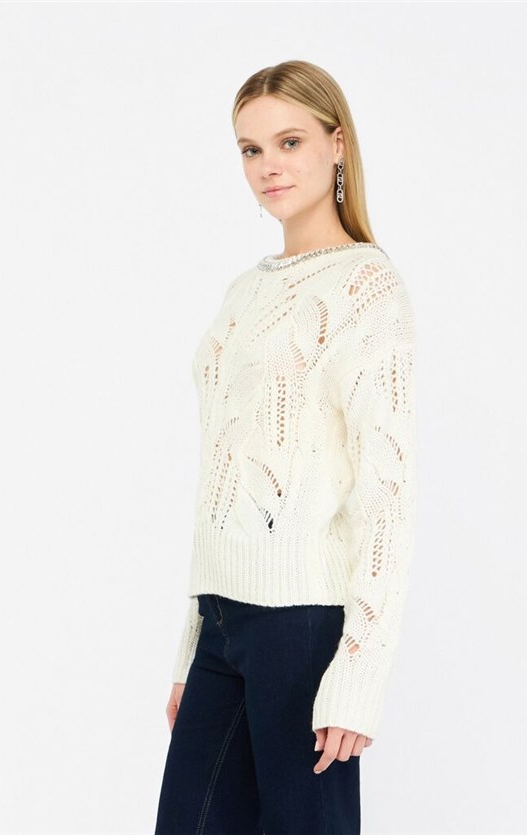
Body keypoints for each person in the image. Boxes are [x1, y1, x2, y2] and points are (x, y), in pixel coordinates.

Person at [154, 59, 417, 835]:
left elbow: (386, 495)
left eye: (289, 141)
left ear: (337, 145)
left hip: (303, 627)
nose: (268, 165)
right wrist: (194, 644)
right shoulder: (247, 288)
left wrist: (359, 675)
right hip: (222, 620)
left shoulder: (367, 287)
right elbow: (222, 474)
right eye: (251, 149)